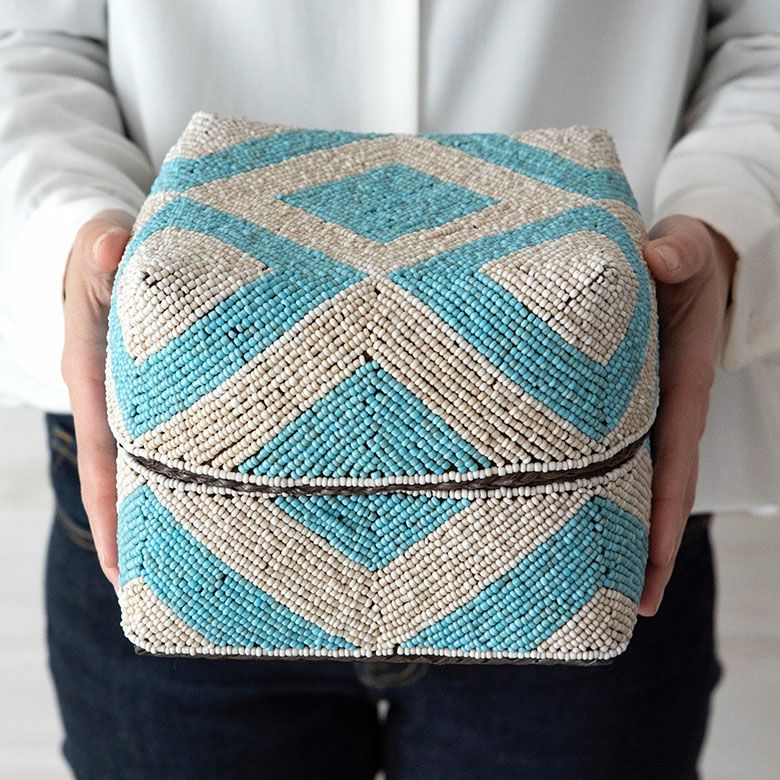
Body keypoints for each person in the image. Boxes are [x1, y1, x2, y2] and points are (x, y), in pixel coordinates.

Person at [1, 1, 778, 778]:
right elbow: (29, 38)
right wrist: (70, 236)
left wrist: (725, 223)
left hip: (600, 463)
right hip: (157, 452)